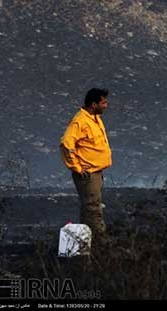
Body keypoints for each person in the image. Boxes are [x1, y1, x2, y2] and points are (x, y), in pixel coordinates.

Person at [60, 88, 112, 247]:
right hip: (88, 175)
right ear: (93, 104)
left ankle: (85, 245)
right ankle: (102, 244)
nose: (106, 105)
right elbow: (66, 144)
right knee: (93, 208)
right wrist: (76, 166)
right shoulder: (80, 121)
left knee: (90, 207)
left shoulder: (95, 118)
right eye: (103, 102)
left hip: (96, 172)